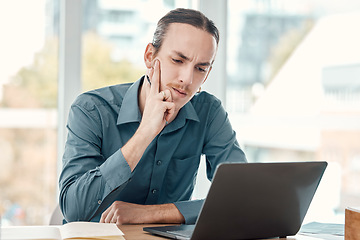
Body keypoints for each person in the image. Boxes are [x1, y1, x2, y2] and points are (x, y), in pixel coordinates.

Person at [59, 8, 247, 226]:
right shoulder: (91, 109)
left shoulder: (209, 112)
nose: (187, 79)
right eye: (178, 60)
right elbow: (73, 209)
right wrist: (145, 133)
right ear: (150, 56)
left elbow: (240, 197)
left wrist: (149, 214)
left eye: (200, 68)